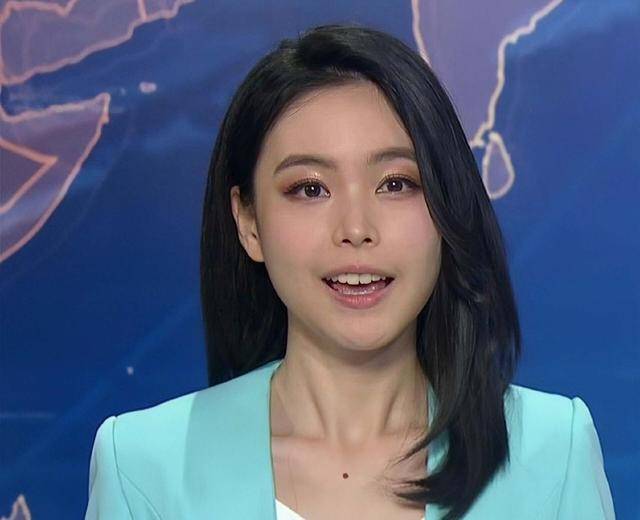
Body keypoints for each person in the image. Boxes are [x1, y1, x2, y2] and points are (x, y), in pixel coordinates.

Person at [84, 23, 615, 519]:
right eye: (309, 188)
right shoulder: (142, 467)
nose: (356, 228)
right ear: (248, 222)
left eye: (396, 184)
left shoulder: (552, 451)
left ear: (446, 206)